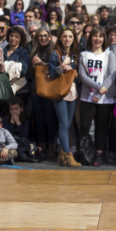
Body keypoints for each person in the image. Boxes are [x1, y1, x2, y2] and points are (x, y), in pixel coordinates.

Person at [79, 26, 116, 166]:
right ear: (91, 38)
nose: (98, 39)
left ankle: (99, 154)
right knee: (84, 126)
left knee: (101, 127)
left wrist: (101, 91)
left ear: (104, 39)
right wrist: (97, 90)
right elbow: (83, 76)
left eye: (101, 36)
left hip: (104, 98)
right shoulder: (84, 55)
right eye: (95, 36)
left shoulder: (109, 55)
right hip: (87, 96)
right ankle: (85, 153)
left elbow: (111, 74)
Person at [48, 26, 81, 167]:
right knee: (63, 123)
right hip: (60, 92)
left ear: (74, 39)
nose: (67, 39)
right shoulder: (55, 54)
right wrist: (62, 67)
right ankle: (68, 155)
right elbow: (51, 73)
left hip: (72, 92)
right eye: (65, 36)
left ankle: (62, 153)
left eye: (70, 37)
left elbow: (78, 75)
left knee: (67, 124)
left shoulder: (75, 55)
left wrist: (74, 71)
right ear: (60, 38)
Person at [28, 25, 58, 158]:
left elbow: (56, 69)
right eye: (40, 36)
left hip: (50, 89)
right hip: (36, 90)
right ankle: (42, 146)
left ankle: (51, 145)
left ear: (50, 37)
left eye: (45, 35)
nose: (43, 38)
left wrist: (43, 63)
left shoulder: (54, 50)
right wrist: (34, 66)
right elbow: (29, 75)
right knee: (39, 120)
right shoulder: (34, 50)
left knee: (50, 119)